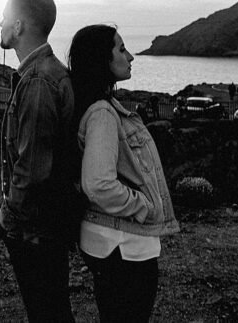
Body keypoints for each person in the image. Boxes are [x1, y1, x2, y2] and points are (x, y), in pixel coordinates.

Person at [68, 25, 180, 323]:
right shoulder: (103, 114)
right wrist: (144, 206)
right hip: (122, 244)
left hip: (115, 241)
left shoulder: (100, 108)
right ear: (100, 60)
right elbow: (99, 184)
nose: (130, 56)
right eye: (120, 49)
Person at [0, 0, 80, 322]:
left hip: (35, 227)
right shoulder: (47, 73)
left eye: (4, 16)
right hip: (48, 222)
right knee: (54, 309)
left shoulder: (37, 82)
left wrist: (9, 215)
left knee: (47, 312)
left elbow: (33, 168)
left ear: (18, 26)